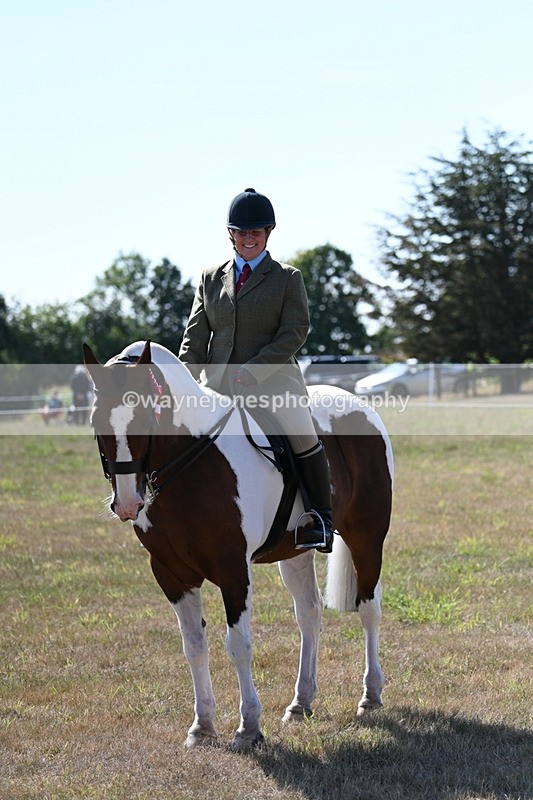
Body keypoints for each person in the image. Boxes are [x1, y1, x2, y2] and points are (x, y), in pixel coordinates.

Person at [179, 188, 333, 552]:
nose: (249, 238)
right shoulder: (209, 277)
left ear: (268, 233)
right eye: (242, 232)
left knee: (302, 433)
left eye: (257, 232)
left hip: (274, 383)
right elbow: (195, 337)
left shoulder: (286, 278)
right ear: (230, 234)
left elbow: (294, 332)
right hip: (216, 386)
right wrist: (185, 380)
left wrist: (252, 370)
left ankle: (320, 518)